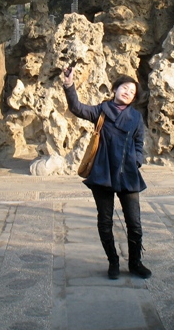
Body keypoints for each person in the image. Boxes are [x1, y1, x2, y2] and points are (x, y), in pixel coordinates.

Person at [62, 67, 152, 280]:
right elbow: (76, 107)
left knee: (135, 223)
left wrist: (136, 160)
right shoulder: (102, 111)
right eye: (125, 88)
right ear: (115, 89)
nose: (128, 92)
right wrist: (69, 85)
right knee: (105, 221)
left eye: (132, 91)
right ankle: (113, 261)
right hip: (103, 174)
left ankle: (135, 262)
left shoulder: (136, 118)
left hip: (128, 174)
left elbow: (139, 143)